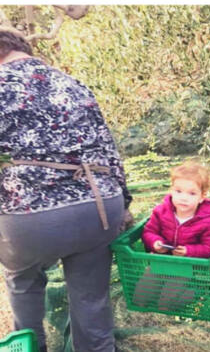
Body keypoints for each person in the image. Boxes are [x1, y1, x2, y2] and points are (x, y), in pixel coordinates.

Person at [0, 29, 133, 352]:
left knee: (24, 282)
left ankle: (28, 346)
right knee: (92, 302)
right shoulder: (72, 84)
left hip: (30, 220)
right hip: (98, 208)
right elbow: (108, 150)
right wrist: (124, 203)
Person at [141, 161, 210, 258]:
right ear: (171, 190)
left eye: (192, 193)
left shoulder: (208, 222)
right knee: (148, 272)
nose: (183, 198)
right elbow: (148, 232)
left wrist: (189, 251)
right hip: (162, 261)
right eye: (178, 191)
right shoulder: (160, 212)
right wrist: (155, 243)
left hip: (191, 267)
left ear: (202, 197)